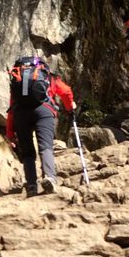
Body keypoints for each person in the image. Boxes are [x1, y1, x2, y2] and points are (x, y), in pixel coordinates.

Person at [5, 56, 76, 196]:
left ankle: (31, 185)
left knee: (27, 152)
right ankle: (49, 177)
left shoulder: (17, 80)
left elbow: (11, 107)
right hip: (44, 110)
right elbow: (66, 91)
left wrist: (10, 133)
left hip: (20, 113)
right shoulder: (48, 76)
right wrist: (70, 106)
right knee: (45, 146)